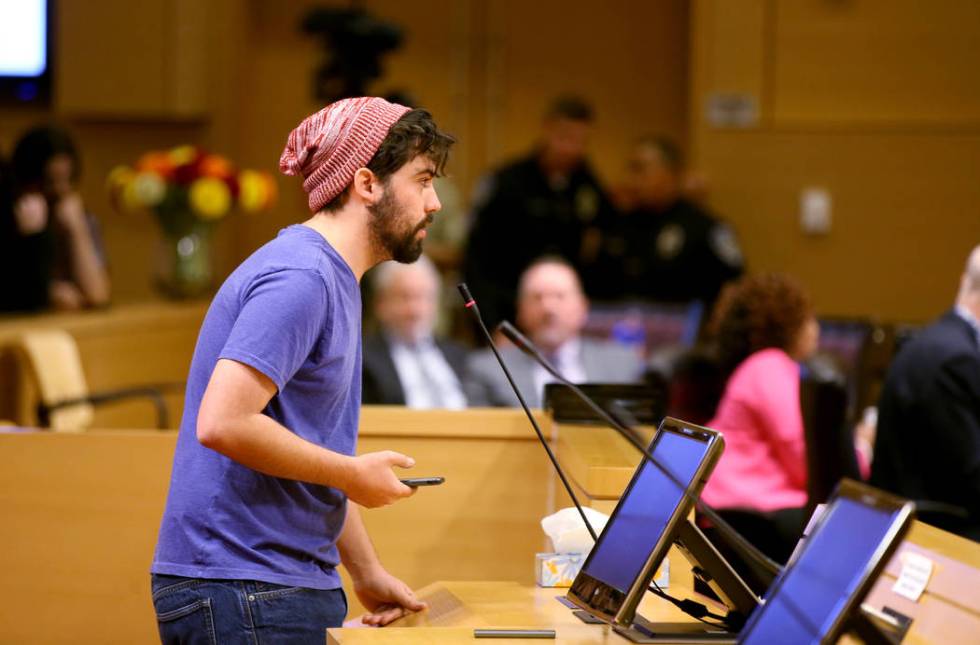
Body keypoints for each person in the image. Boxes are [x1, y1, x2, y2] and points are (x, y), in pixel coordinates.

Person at [150, 97, 455, 642]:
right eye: (423, 180)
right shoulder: (302, 276)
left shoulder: (332, 277)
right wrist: (351, 476)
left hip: (265, 585)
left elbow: (310, 444)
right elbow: (223, 422)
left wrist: (365, 571)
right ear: (366, 184)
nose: (434, 203)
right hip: (243, 585)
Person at [462, 95, 617, 328]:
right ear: (547, 130)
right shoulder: (509, 182)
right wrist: (491, 323)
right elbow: (477, 258)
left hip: (564, 313)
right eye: (564, 137)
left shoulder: (589, 188)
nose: (570, 148)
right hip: (508, 308)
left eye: (580, 140)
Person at [699, 274, 819, 561]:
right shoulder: (770, 366)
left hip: (735, 509)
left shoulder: (753, 368)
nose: (816, 328)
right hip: (755, 514)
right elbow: (802, 456)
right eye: (809, 318)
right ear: (788, 324)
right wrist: (862, 452)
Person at [871, 245, 980, 541]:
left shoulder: (933, 339)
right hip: (937, 533)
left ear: (963, 282)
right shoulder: (957, 360)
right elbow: (970, 478)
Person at [464, 257, 642, 408]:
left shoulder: (622, 364)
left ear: (582, 308)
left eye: (559, 296)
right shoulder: (488, 369)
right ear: (520, 310)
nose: (548, 308)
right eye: (537, 297)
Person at [593, 135, 742, 307]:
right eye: (630, 169)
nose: (630, 178)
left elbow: (733, 287)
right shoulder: (618, 224)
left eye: (640, 169)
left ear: (670, 174)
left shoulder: (705, 228)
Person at [0, 125, 110, 312]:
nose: (61, 191)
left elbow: (98, 294)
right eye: (51, 182)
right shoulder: (13, 217)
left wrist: (77, 228)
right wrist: (33, 237)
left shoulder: (79, 217)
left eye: (67, 180)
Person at [362, 255, 469, 408]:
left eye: (423, 297)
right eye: (405, 298)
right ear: (381, 304)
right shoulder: (363, 359)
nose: (414, 311)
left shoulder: (459, 355)